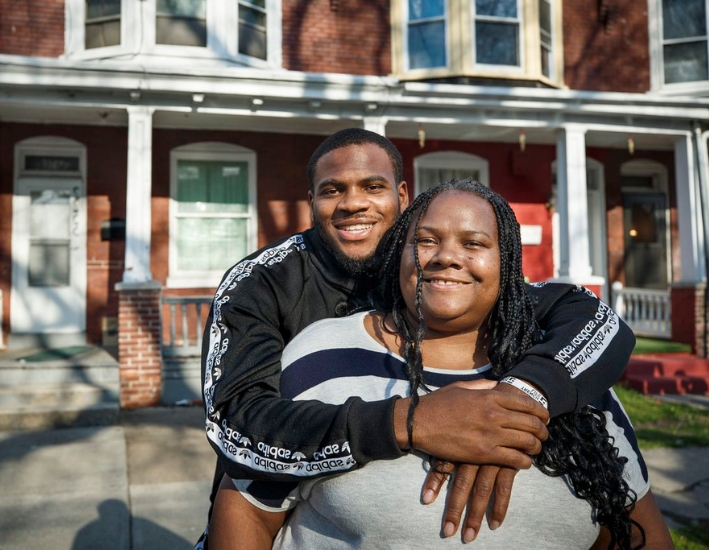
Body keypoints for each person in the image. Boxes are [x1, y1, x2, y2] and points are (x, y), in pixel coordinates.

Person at [198, 129, 636, 546]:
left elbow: (593, 320)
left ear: (402, 196)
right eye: (333, 190)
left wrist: (514, 402)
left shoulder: (433, 270)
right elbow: (235, 425)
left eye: (373, 186)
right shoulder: (259, 283)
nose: (353, 203)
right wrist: (413, 423)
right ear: (311, 201)